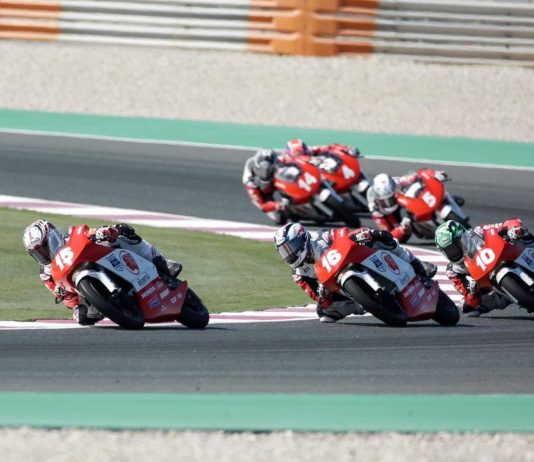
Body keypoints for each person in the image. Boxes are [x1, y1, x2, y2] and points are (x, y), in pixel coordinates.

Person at [23, 220, 182, 326]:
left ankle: (161, 261)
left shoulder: (70, 236)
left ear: (53, 236)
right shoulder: (46, 275)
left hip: (102, 259)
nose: (43, 254)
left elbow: (89, 233)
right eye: (38, 253)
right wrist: (64, 295)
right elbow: (70, 302)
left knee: (122, 231)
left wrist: (104, 232)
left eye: (44, 247)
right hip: (86, 290)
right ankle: (116, 306)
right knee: (81, 318)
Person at [274, 222, 437, 323]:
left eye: (290, 248)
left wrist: (363, 234)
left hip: (353, 259)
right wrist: (323, 294)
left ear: (302, 239)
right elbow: (316, 296)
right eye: (284, 251)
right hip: (337, 285)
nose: (289, 254)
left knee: (381, 238)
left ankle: (417, 264)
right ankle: (363, 303)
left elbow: (342, 234)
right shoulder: (299, 274)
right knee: (324, 314)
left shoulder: (321, 238)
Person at [435, 219, 534, 316]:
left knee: (523, 235)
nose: (453, 253)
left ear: (461, 237)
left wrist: (513, 228)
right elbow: (467, 295)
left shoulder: (478, 231)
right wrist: (472, 292)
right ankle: (518, 296)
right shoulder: (453, 271)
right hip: (491, 286)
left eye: (453, 248)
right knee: (466, 308)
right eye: (448, 251)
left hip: (506, 255)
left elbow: (505, 224)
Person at [366, 171, 452, 243]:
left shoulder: (397, 182)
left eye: (390, 199)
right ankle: (426, 230)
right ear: (378, 199)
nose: (388, 203)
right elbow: (386, 236)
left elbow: (417, 176)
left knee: (416, 189)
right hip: (390, 217)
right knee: (391, 235)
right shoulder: (375, 209)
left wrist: (435, 174)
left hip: (402, 201)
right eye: (384, 201)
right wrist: (400, 230)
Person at [242, 148, 289, 225]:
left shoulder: (279, 161)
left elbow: (291, 160)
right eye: (261, 170)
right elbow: (246, 180)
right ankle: (278, 206)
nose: (265, 172)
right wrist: (277, 205)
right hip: (256, 187)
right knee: (277, 218)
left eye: (269, 170)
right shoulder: (250, 164)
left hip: (273, 182)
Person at [284, 139, 361, 160]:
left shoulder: (309, 150)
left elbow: (328, 147)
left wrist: (346, 148)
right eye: (296, 153)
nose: (299, 154)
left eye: (301, 151)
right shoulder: (286, 161)